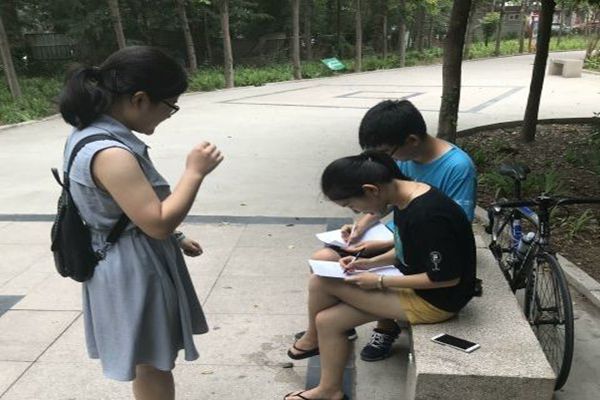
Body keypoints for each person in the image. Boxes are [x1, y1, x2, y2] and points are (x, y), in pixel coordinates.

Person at [58, 46, 223, 400]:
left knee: (150, 359)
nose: (169, 114)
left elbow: (126, 208)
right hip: (134, 266)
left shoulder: (87, 132)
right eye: (170, 105)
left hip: (121, 253)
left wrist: (176, 237)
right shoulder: (111, 153)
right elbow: (156, 223)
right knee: (153, 364)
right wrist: (194, 172)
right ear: (140, 99)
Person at [292, 100, 477, 362]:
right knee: (324, 266)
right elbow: (384, 199)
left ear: (411, 141)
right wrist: (363, 231)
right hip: (407, 246)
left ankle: (348, 332)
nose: (383, 162)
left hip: (431, 267)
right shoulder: (403, 188)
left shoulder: (451, 175)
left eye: (385, 154)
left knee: (323, 282)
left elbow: (445, 240)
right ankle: (325, 339)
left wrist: (379, 274)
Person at [284, 152, 476, 400]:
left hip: (436, 301)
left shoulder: (427, 215)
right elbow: (407, 248)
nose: (356, 211)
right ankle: (329, 391)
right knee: (327, 321)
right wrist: (369, 263)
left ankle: (312, 340)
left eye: (352, 205)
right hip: (416, 283)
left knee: (322, 280)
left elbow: (447, 278)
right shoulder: (408, 197)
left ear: (371, 190)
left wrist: (379, 280)